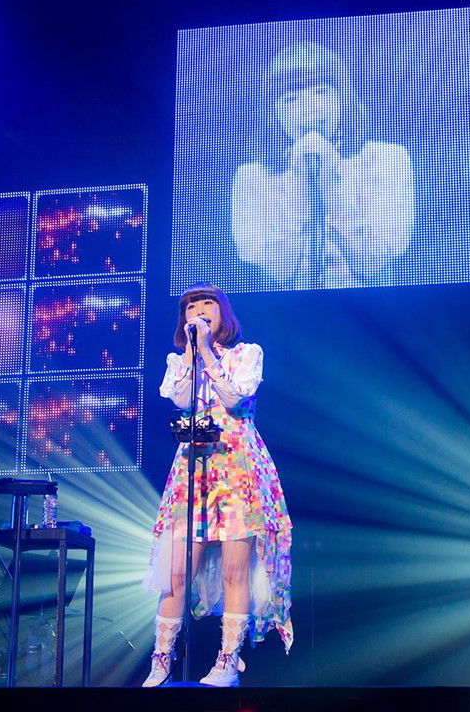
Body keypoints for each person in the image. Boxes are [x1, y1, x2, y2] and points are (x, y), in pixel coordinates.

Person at [141, 282, 293, 687]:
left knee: (234, 571)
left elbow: (232, 398)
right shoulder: (179, 361)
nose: (199, 311)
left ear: (222, 311)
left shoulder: (248, 354)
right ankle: (161, 660)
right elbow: (179, 400)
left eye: (207, 303)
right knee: (177, 572)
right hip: (194, 469)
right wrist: (193, 355)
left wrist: (208, 351)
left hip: (236, 465)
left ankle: (227, 661)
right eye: (191, 307)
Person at [231, 41, 414, 290]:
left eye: (321, 91)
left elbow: (374, 260)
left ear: (342, 97)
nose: (308, 109)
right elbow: (277, 269)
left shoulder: (386, 159)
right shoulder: (253, 176)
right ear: (274, 112)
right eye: (290, 98)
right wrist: (299, 182)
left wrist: (331, 183)